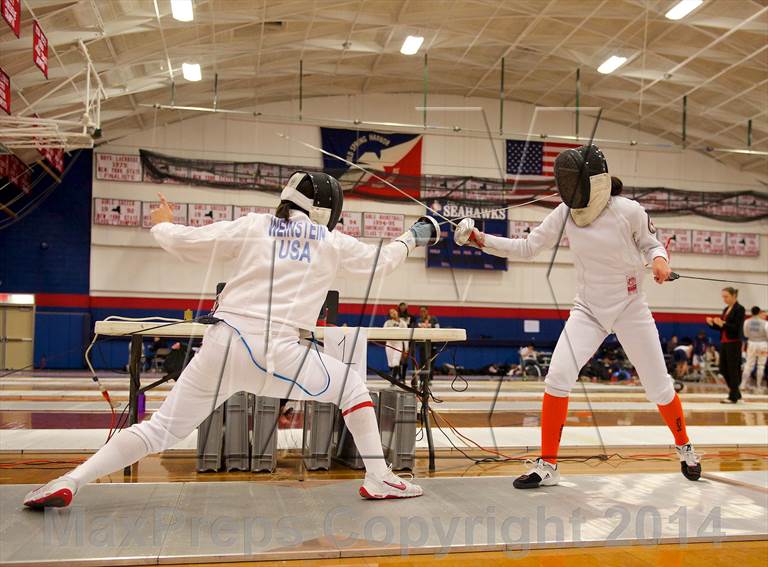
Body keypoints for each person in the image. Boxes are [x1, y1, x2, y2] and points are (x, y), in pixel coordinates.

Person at [23, 171, 441, 509]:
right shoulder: (330, 241)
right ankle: (379, 477)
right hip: (276, 352)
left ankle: (70, 480)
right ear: (326, 210)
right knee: (350, 385)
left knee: (159, 430)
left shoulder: (254, 226)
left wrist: (161, 223)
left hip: (222, 347)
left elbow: (184, 241)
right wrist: (420, 233)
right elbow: (383, 261)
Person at [454, 149, 701, 488]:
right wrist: (480, 240)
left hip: (630, 307)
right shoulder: (566, 212)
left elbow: (652, 245)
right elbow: (527, 247)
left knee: (659, 387)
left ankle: (685, 447)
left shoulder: (629, 211)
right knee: (557, 378)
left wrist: (659, 260)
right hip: (588, 310)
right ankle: (548, 465)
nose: (568, 189)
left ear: (593, 181)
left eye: (573, 182)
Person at [707, 287, 746, 403]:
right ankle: (736, 393)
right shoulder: (726, 309)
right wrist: (712, 324)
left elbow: (735, 327)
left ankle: (733, 396)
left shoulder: (740, 309)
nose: (724, 299)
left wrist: (723, 323)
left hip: (734, 342)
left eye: (726, 296)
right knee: (723, 369)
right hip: (724, 342)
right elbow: (722, 328)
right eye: (723, 297)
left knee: (733, 369)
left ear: (734, 296)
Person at [741, 306, 768, 392]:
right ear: (759, 312)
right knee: (761, 365)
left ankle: (742, 384)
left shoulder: (746, 322)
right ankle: (758, 386)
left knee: (748, 365)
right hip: (763, 344)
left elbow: (745, 335)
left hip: (751, 344)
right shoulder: (765, 323)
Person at [413, 305, 440, 388]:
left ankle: (429, 379)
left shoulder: (434, 319)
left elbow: (437, 329)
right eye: (421, 311)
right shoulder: (418, 321)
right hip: (422, 344)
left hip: (432, 344)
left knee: (431, 361)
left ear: (427, 311)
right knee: (422, 362)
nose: (422, 313)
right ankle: (422, 379)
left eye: (424, 311)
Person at [383, 307, 408, 382]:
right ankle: (395, 377)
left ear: (397, 312)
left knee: (396, 361)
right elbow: (382, 333)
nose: (393, 313)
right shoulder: (387, 323)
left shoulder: (403, 323)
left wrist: (406, 348)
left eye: (394, 311)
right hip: (389, 344)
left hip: (398, 344)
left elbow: (406, 336)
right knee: (390, 364)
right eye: (391, 312)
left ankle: (393, 380)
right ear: (390, 315)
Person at [397, 302, 413, 380]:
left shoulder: (410, 317)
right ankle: (399, 376)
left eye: (404, 307)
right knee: (398, 358)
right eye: (401, 307)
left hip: (407, 339)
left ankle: (403, 376)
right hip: (398, 339)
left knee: (405, 358)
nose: (402, 308)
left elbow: (412, 327)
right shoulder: (396, 316)